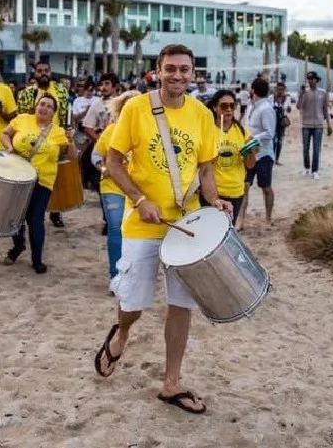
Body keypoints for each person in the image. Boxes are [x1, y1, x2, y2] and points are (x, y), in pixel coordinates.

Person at [93, 43, 231, 415]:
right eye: (171, 68)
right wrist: (139, 200)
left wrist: (214, 201)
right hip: (142, 223)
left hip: (184, 226)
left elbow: (205, 170)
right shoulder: (137, 107)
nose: (178, 75)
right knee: (133, 304)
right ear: (158, 70)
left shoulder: (202, 114)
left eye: (185, 69)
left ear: (192, 73)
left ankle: (171, 383)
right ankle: (122, 332)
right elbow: (113, 161)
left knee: (181, 305)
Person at [0, 94, 73, 274]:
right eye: (42, 104)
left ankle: (37, 259)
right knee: (15, 216)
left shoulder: (58, 132)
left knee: (36, 219)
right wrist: (9, 147)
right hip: (18, 176)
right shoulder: (22, 119)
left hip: (43, 180)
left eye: (49, 106)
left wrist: (70, 140)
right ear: (36, 105)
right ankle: (18, 247)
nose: (44, 108)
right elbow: (5, 133)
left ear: (54, 112)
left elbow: (72, 157)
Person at [90, 90, 141, 285]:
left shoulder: (147, 130)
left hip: (139, 189)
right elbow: (95, 156)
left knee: (134, 232)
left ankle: (132, 270)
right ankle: (116, 276)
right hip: (112, 187)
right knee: (115, 228)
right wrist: (104, 168)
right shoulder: (112, 130)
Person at [17, 63, 71, 228]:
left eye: (46, 71)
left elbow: (64, 116)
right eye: (39, 71)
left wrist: (66, 136)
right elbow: (22, 116)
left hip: (55, 139)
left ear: (50, 72)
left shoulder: (61, 92)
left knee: (55, 178)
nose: (43, 74)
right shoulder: (26, 93)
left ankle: (56, 212)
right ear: (35, 73)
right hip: (31, 142)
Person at [205, 89, 256, 230]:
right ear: (215, 108)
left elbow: (250, 165)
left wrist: (250, 153)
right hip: (214, 192)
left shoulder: (242, 131)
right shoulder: (207, 130)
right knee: (211, 231)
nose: (228, 110)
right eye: (223, 106)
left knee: (227, 230)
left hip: (235, 191)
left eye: (232, 106)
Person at [243, 77, 277, 225]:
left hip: (263, 154)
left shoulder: (266, 109)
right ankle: (241, 220)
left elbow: (270, 133)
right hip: (248, 153)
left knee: (266, 187)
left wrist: (252, 138)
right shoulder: (251, 107)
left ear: (253, 90)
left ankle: (268, 218)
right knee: (244, 186)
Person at [296, 72, 331, 180]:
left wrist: (329, 124)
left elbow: (325, 109)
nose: (310, 81)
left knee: (316, 149)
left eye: (312, 79)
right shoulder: (304, 93)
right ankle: (306, 167)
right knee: (305, 148)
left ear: (316, 79)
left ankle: (315, 170)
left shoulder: (323, 93)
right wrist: (301, 95)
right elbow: (298, 106)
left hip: (319, 125)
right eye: (308, 79)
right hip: (306, 124)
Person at [267, 81, 294, 165]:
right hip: (272, 122)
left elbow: (289, 110)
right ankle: (271, 157)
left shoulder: (287, 98)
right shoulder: (271, 98)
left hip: (281, 123)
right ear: (275, 89)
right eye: (278, 89)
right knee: (273, 140)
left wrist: (289, 108)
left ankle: (277, 158)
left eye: (282, 90)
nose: (280, 91)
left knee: (279, 141)